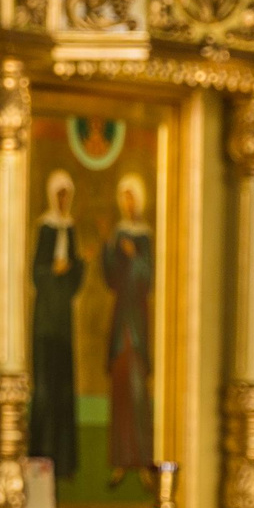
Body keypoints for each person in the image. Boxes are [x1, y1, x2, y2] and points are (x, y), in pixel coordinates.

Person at [28, 170, 84, 481]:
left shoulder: (70, 229)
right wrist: (53, 270)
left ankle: (64, 463)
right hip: (46, 319)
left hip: (63, 318)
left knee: (64, 389)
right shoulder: (46, 227)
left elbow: (75, 278)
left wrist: (76, 268)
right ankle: (40, 456)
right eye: (59, 195)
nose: (63, 201)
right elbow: (36, 273)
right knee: (45, 389)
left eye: (67, 195)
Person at [103, 173, 156, 488]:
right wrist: (109, 249)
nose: (128, 202)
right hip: (121, 316)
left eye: (132, 196)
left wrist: (133, 255)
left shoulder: (144, 236)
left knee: (138, 392)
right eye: (124, 197)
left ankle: (143, 461)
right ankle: (121, 462)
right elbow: (111, 279)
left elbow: (147, 276)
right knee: (121, 392)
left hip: (138, 317)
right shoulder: (119, 233)